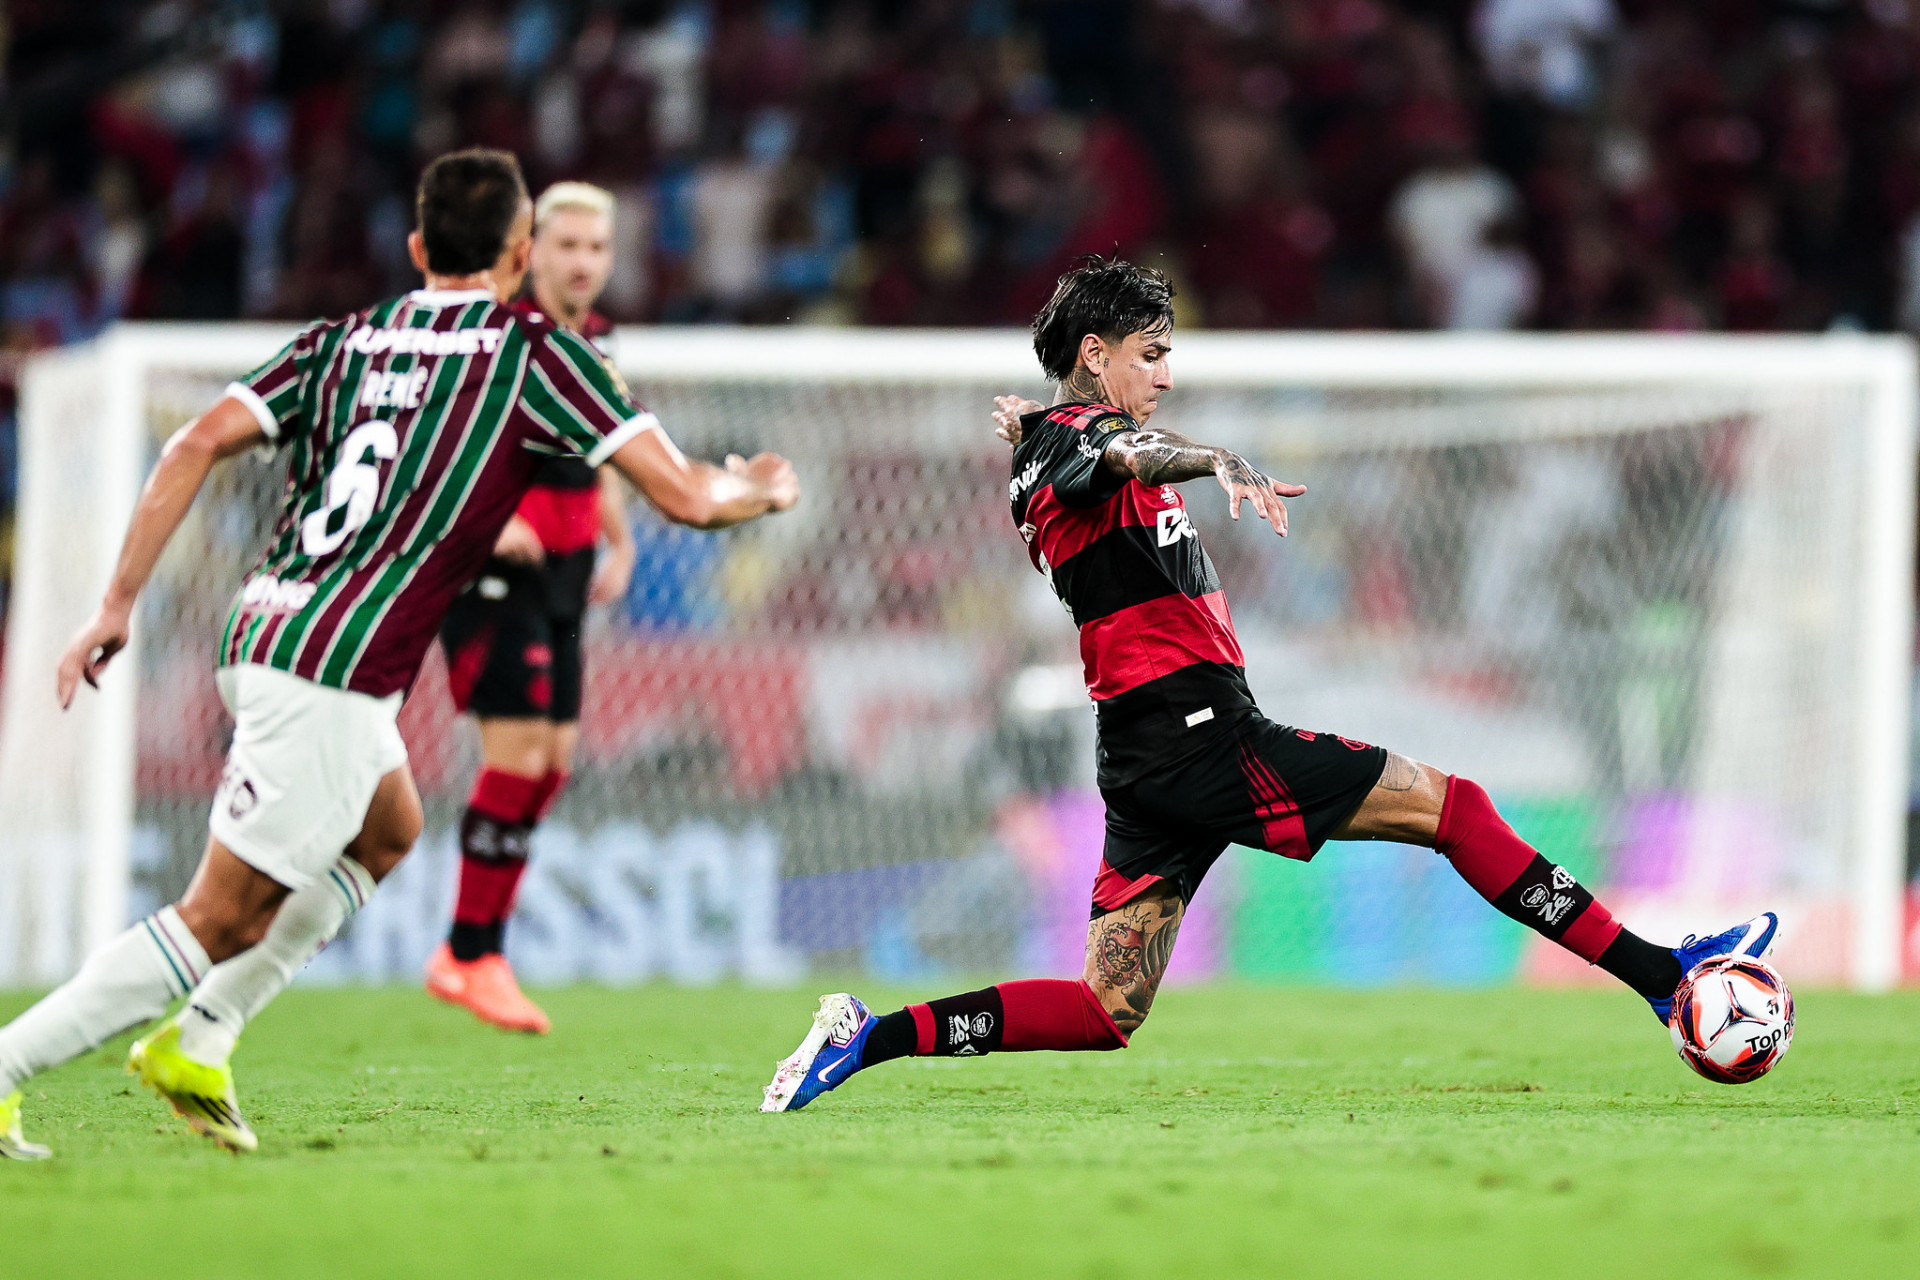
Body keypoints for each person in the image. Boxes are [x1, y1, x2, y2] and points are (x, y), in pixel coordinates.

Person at [759, 255, 1773, 1114]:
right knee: (1456, 807)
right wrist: (1216, 458)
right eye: (1149, 351)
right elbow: (1122, 445)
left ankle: (867, 1034)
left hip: (1147, 750)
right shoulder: (1081, 440)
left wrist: (1041, 421)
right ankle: (1662, 973)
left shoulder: (1048, 443)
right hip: (1204, 734)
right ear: (1095, 354)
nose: (1164, 371)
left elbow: (1084, 446)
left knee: (1105, 1008)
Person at [0, 149, 798, 1160]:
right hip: (330, 668)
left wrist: (118, 602)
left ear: (418, 247)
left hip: (269, 624)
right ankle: (10, 1064)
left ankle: (200, 1039)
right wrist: (761, 488)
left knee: (387, 826)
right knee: (222, 914)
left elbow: (193, 441)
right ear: (521, 253)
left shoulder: (345, 338)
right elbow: (687, 495)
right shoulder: (536, 354)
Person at [426, 181, 635, 1034]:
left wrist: (618, 539)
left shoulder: (596, 341)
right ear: (530, 250)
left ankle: (482, 950)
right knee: (516, 755)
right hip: (493, 562)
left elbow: (605, 445)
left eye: (597, 249)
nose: (582, 262)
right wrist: (492, 512)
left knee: (552, 762)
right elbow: (445, 436)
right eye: (567, 246)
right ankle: (468, 952)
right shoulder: (497, 333)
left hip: (567, 563)